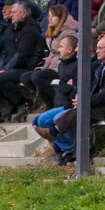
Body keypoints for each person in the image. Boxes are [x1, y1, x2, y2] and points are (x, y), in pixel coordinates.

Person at [53, 34, 105, 164]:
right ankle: (75, 151)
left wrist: (85, 101)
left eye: (100, 48)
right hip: (104, 104)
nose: (96, 51)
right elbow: (94, 90)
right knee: (80, 111)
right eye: (97, 48)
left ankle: (58, 131)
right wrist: (81, 98)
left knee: (82, 112)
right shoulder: (101, 68)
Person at [0, 1, 45, 122]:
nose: (11, 15)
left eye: (14, 12)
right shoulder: (12, 29)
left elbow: (22, 56)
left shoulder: (30, 30)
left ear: (23, 14)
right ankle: (1, 107)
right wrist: (0, 70)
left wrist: (4, 71)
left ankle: (22, 103)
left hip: (26, 68)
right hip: (12, 67)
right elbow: (6, 54)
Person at [32, 34, 81, 165]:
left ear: (70, 49)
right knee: (37, 121)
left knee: (53, 121)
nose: (58, 49)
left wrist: (64, 86)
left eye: (61, 46)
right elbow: (64, 86)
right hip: (61, 103)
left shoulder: (78, 65)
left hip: (70, 104)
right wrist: (65, 85)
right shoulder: (61, 65)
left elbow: (74, 88)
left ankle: (68, 150)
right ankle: (64, 150)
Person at [21, 5, 78, 110]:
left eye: (53, 16)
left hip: (60, 66)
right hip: (50, 65)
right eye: (49, 16)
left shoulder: (69, 33)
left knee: (37, 77)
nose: (49, 19)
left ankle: (53, 100)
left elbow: (67, 52)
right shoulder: (52, 31)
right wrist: (44, 66)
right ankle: (44, 100)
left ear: (61, 18)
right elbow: (51, 53)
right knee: (26, 77)